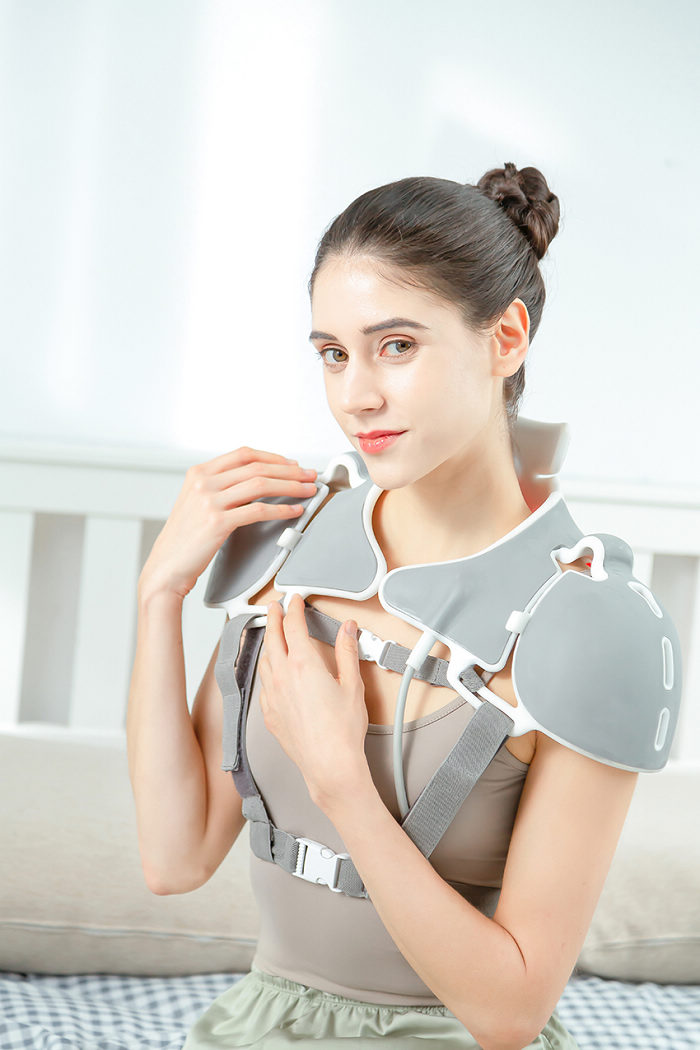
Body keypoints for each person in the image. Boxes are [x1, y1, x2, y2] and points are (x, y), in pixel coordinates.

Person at [127, 163, 641, 1049]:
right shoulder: (290, 552)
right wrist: (158, 595)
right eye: (333, 353)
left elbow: (510, 1013)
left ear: (505, 338)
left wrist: (342, 784)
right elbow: (175, 859)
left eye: (396, 346)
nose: (354, 395)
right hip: (258, 1027)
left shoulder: (592, 630)